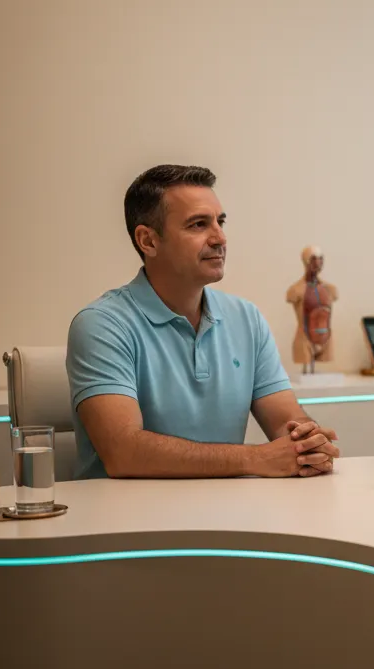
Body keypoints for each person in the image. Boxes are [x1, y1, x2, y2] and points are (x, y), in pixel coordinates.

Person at [66, 164, 339, 481]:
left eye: (220, 222)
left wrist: (308, 444)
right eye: (198, 225)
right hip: (128, 524)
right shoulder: (101, 325)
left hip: (226, 516)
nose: (220, 238)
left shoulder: (246, 318)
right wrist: (255, 458)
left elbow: (286, 421)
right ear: (148, 241)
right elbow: (123, 453)